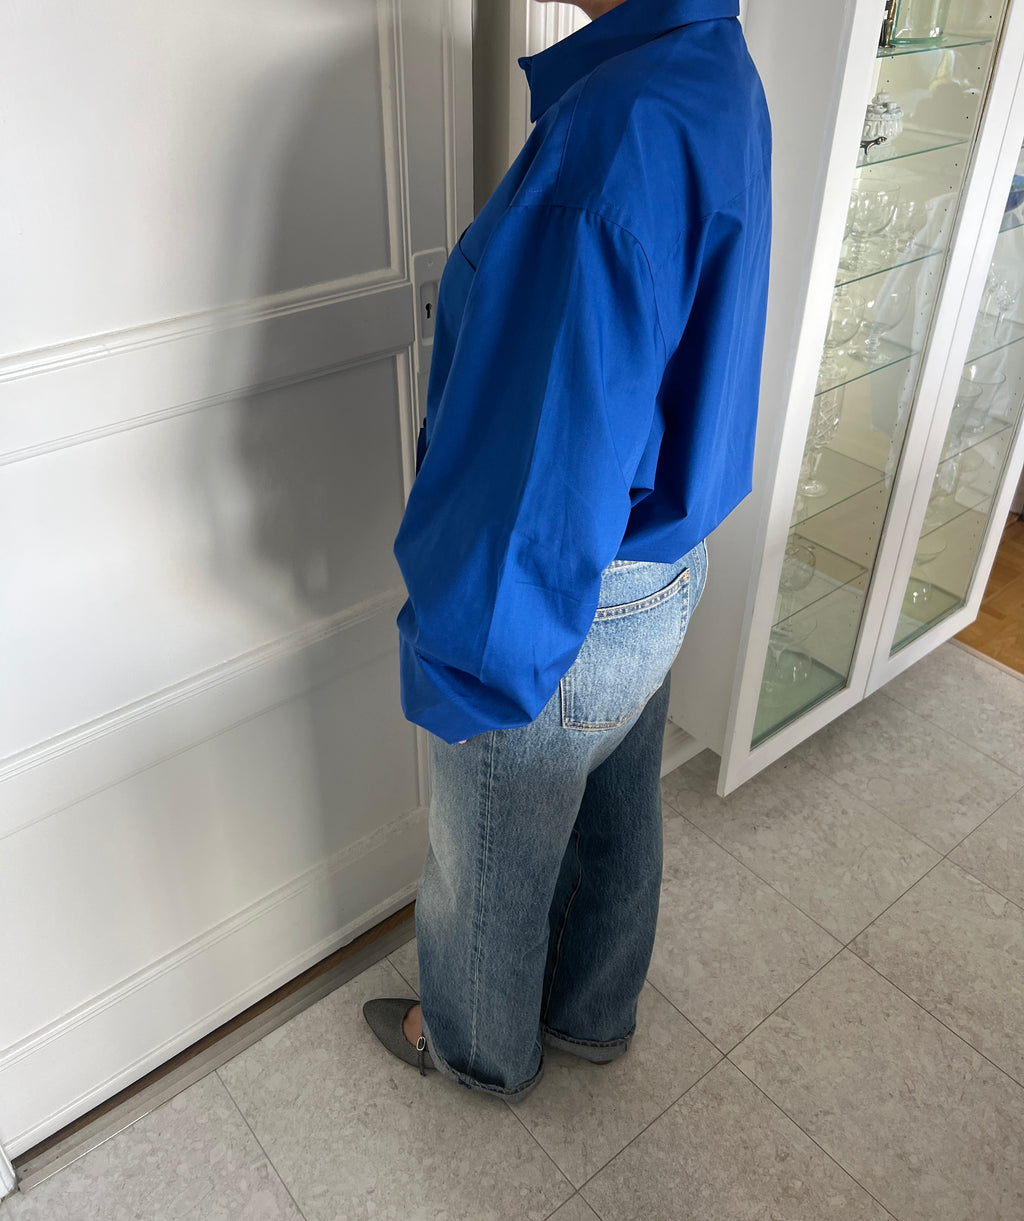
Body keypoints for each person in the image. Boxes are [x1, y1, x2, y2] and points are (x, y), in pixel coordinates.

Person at [364, 0, 771, 1100]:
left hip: (570, 586)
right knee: (615, 810)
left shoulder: (613, 130)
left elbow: (543, 469)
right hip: (662, 566)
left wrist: (470, 661)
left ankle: (476, 1050)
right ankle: (594, 1014)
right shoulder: (708, 65)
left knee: (485, 858)